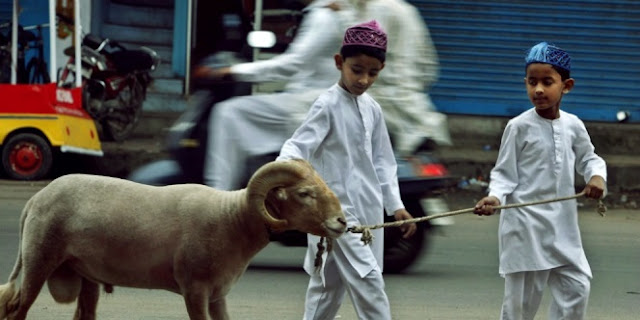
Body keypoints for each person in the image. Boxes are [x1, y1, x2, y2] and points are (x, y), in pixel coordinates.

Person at [276, 20, 417, 319]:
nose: (364, 80)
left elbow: (383, 162)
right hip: (335, 213)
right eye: (357, 69)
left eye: (373, 73)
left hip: (368, 211)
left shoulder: (373, 109)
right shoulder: (326, 105)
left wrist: (396, 206)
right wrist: (277, 179)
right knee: (369, 282)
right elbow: (295, 147)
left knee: (327, 287)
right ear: (339, 62)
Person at [474, 42, 607, 320]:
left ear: (566, 85)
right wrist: (494, 197)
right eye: (532, 82)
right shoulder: (518, 126)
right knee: (520, 308)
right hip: (525, 228)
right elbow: (504, 173)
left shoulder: (573, 125)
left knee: (577, 287)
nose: (538, 90)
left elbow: (590, 159)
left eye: (547, 82)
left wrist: (596, 177)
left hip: (563, 228)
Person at [196, 0, 351, 190]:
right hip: (310, 99)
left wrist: (232, 71)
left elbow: (292, 64)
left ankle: (217, 199)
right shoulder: (327, 12)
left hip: (311, 103)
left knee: (229, 112)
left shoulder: (324, 16)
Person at [343, 0, 452, 154]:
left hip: (386, 104)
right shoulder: (408, 10)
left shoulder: (379, 9)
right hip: (415, 106)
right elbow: (429, 66)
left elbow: (363, 52)